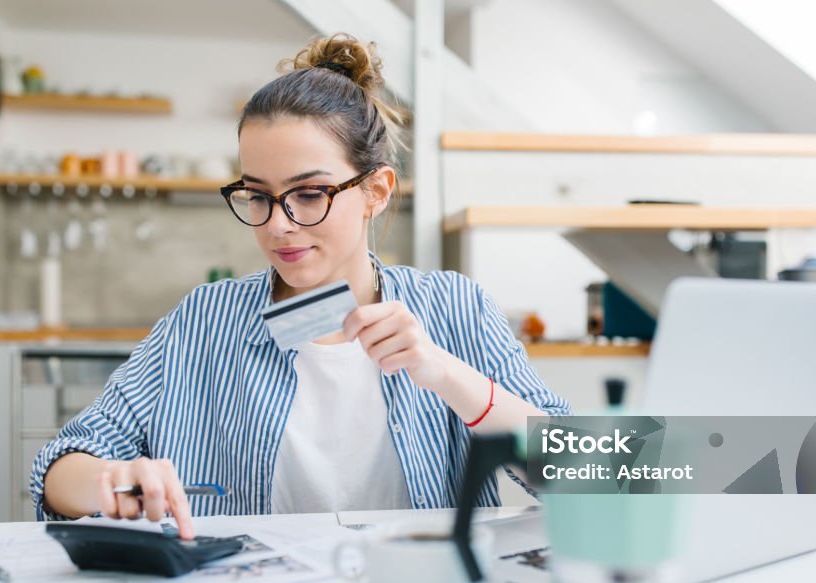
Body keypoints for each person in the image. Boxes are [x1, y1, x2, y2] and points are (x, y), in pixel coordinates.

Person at [30, 34, 571, 539]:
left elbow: (617, 471)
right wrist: (112, 480)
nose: (277, 225)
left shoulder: (456, 308)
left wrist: (448, 375)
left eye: (309, 194)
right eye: (257, 195)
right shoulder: (205, 320)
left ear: (377, 190)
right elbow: (60, 465)